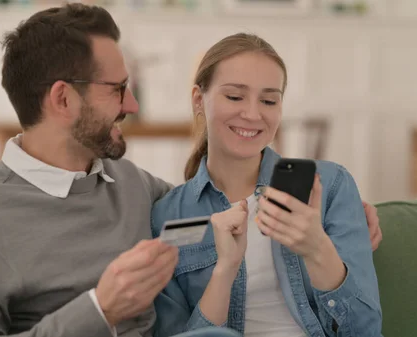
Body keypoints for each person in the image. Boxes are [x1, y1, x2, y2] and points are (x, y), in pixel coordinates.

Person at [0, 4, 381, 337]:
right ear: (63, 99)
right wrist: (99, 309)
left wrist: (343, 221)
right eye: (118, 90)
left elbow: (210, 206)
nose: (133, 105)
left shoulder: (134, 188)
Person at [150, 33, 382, 337]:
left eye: (269, 100)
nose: (252, 114)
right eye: (234, 96)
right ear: (198, 99)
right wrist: (226, 269)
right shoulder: (169, 216)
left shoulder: (330, 187)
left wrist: (316, 249)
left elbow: (364, 331)